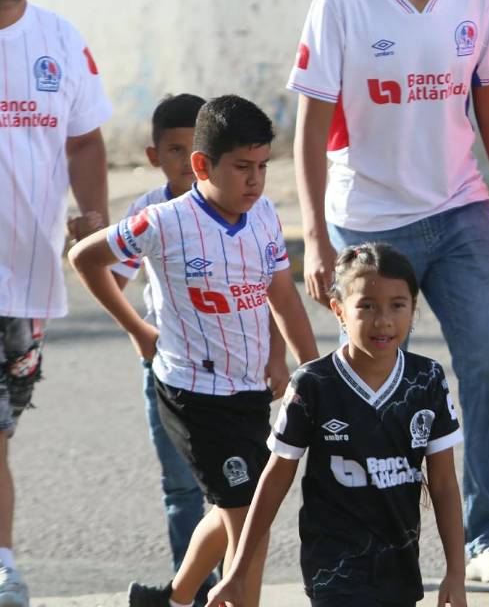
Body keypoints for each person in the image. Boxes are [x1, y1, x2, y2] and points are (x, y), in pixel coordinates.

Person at [289, 0, 489, 582]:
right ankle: (371, 544)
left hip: (460, 210)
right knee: (373, 386)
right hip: (368, 224)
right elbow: (309, 127)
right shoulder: (340, 1)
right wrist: (314, 239)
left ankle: (487, 535)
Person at [68, 95, 320, 607]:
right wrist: (138, 328)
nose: (255, 180)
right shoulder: (162, 222)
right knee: (248, 519)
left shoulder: (265, 215)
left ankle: (171, 600)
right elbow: (84, 258)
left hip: (250, 392)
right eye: (242, 167)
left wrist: (310, 372)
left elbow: (283, 295)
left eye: (264, 167)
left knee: (235, 510)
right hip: (194, 396)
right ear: (202, 166)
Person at [205, 243, 467, 607]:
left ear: (413, 309)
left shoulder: (427, 379)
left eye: (397, 305)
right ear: (339, 310)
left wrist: (457, 572)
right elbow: (275, 477)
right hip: (334, 570)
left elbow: (443, 484)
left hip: (399, 569)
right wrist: (237, 573)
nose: (384, 320)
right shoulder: (313, 383)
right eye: (367, 306)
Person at [0, 0, 111, 607]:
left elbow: (84, 141)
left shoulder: (60, 40)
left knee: (1, 432)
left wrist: (91, 222)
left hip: (25, 282)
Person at [108, 93, 225, 588]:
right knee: (180, 488)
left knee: (230, 489)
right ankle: (191, 589)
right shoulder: (147, 211)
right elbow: (111, 277)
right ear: (155, 156)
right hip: (165, 366)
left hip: (226, 367)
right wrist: (139, 330)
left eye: (193, 148)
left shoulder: (235, 205)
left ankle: (231, 584)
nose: (185, 160)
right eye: (173, 150)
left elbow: (265, 286)